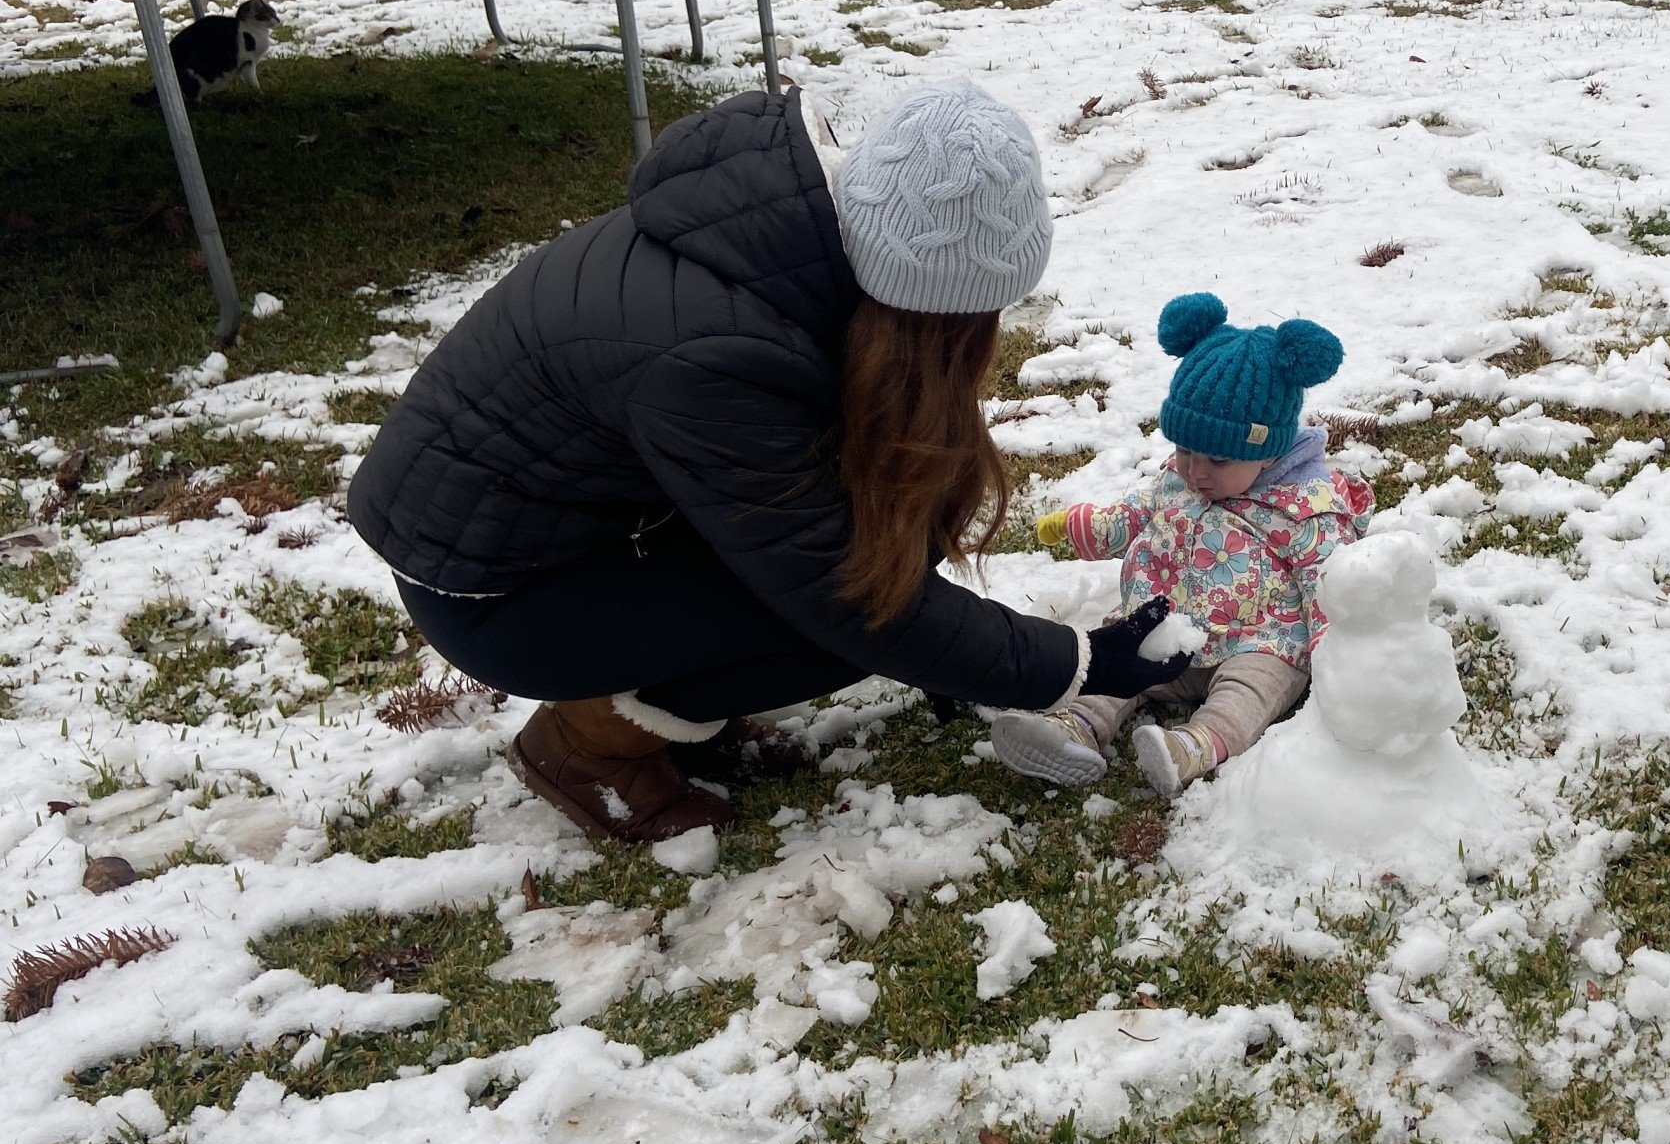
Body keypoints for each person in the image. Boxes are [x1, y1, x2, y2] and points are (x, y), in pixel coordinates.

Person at [349, 81, 1192, 845]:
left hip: (588, 520)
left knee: (892, 545)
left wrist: (956, 643)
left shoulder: (784, 235)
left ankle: (678, 704)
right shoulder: (714, 355)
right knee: (852, 613)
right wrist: (1074, 663)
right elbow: (852, 599)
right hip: (498, 588)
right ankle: (592, 744)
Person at [990, 293, 1373, 799]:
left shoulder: (1303, 508)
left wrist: (1334, 647)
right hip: (1171, 627)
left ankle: (1193, 747)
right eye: (1185, 449)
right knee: (1116, 662)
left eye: (1216, 459)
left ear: (1267, 451)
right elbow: (1140, 510)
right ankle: (1073, 728)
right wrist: (1089, 526)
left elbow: (1327, 579)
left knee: (1249, 691)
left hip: (1257, 638)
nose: (1195, 470)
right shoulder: (1181, 480)